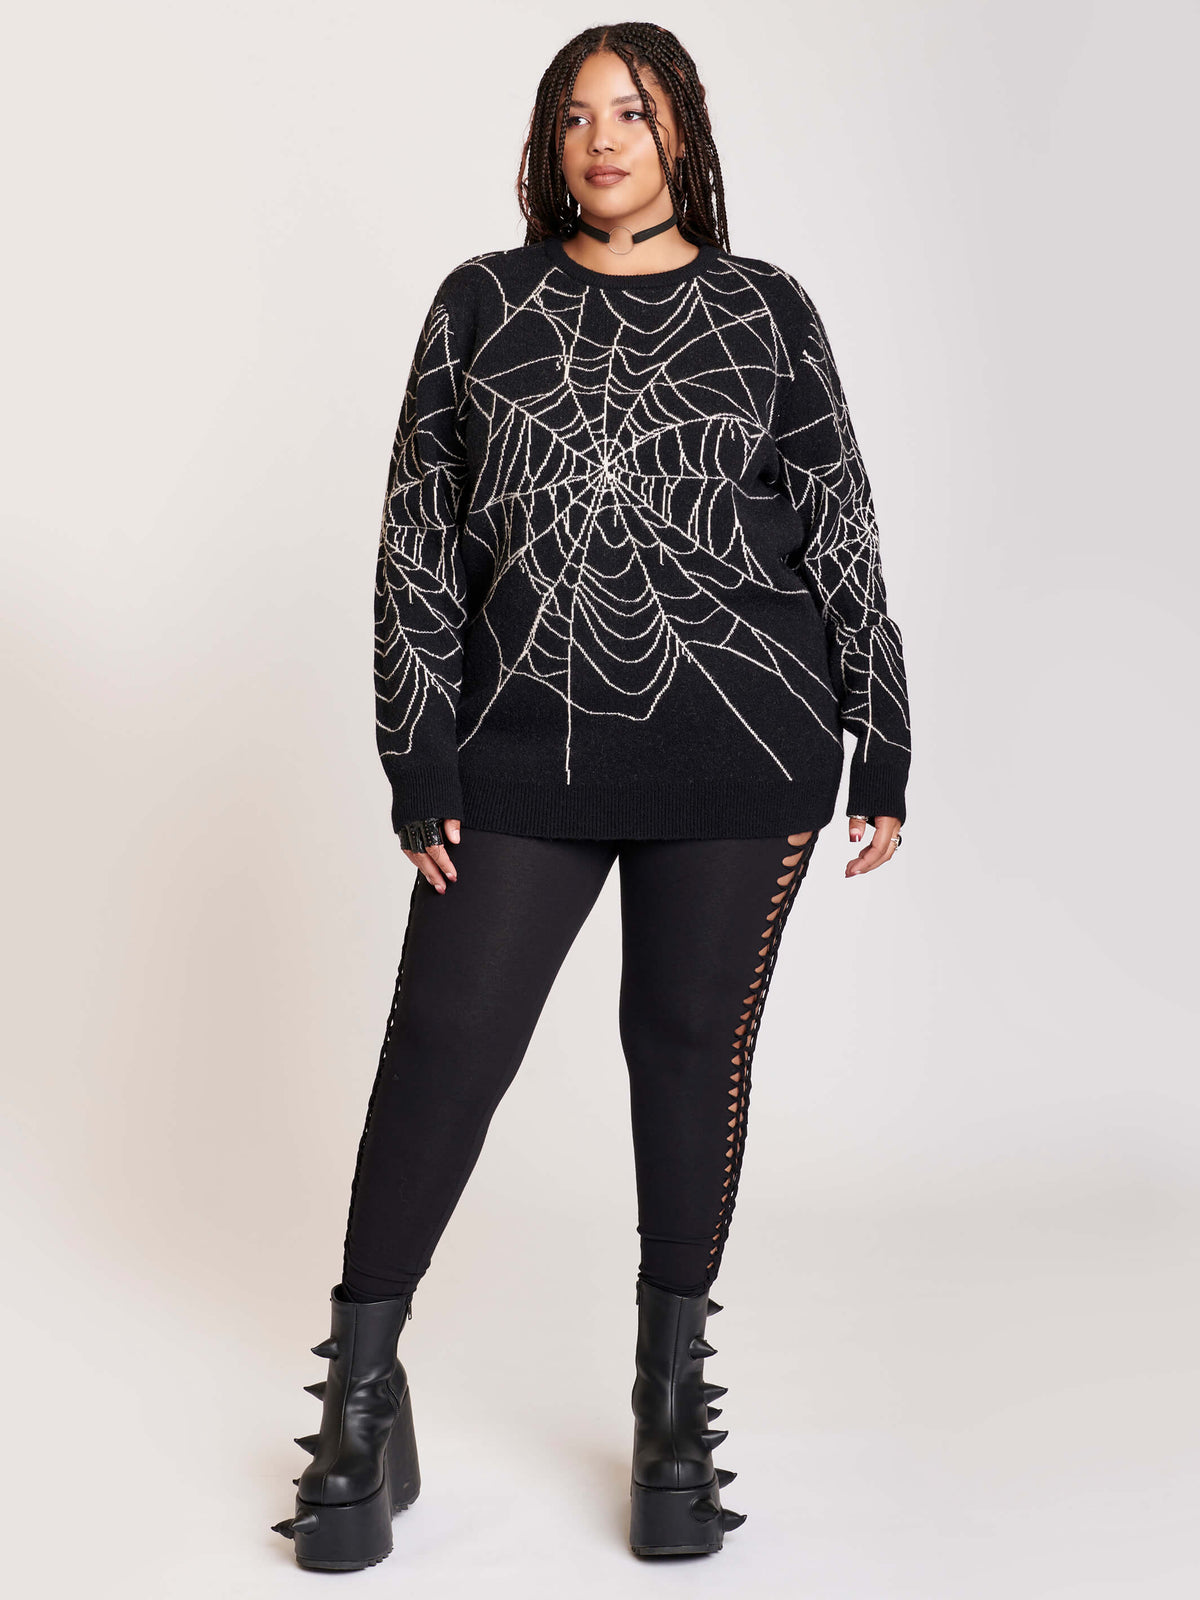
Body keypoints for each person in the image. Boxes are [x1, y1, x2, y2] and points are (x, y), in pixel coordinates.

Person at [271, 20, 911, 1571]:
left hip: (745, 748)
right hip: (515, 747)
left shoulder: (769, 311)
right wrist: (418, 755)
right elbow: (416, 545)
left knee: (687, 1054)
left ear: (684, 130)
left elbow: (838, 524)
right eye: (574, 116)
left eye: (632, 110)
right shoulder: (480, 305)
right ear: (545, 145)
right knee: (446, 1045)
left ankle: (670, 1402)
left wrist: (880, 736)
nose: (602, 138)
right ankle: (359, 1396)